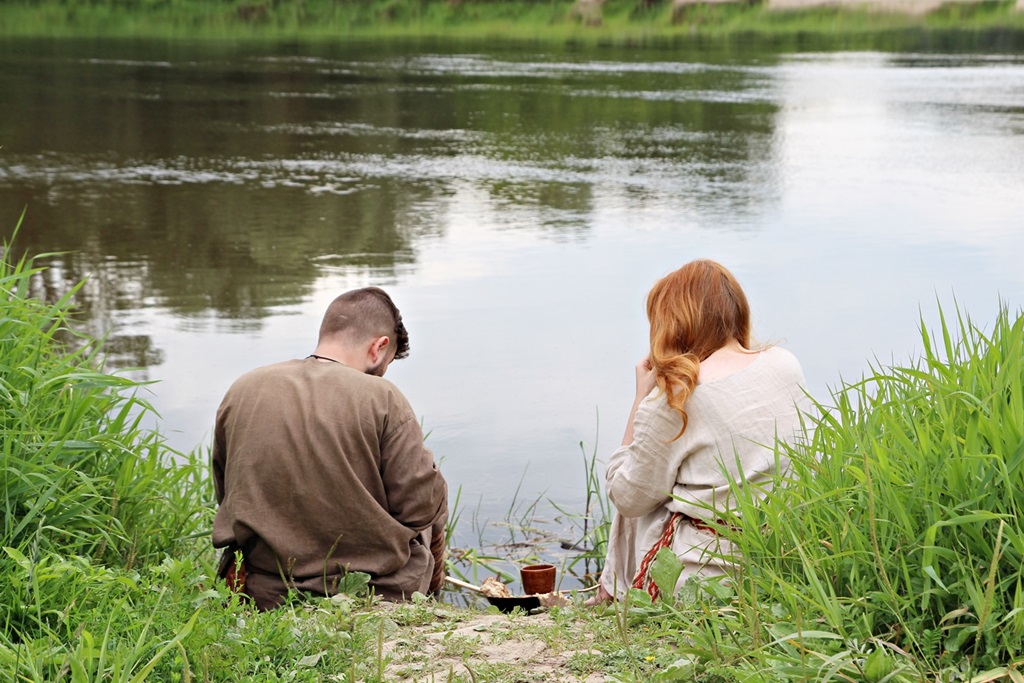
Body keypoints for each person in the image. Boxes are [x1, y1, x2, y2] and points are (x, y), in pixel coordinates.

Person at [211, 287, 448, 610]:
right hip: (373, 590)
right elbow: (419, 507)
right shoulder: (382, 396)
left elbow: (227, 492)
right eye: (386, 363)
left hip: (264, 589)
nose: (382, 373)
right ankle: (430, 604)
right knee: (434, 498)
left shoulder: (244, 387)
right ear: (379, 347)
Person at [587, 260, 808, 605]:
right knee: (663, 479)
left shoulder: (677, 397)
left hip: (708, 581)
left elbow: (628, 497)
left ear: (673, 323)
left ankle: (612, 594)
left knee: (631, 483)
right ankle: (610, 593)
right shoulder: (784, 362)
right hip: (786, 557)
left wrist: (640, 398)